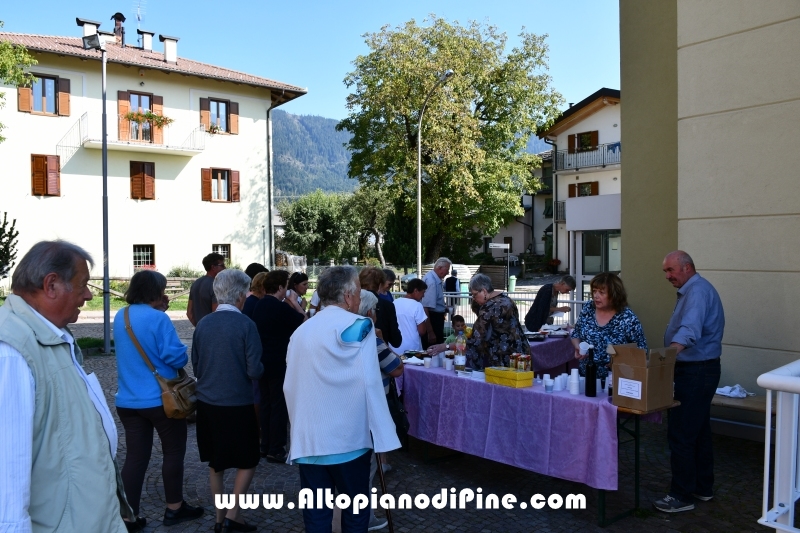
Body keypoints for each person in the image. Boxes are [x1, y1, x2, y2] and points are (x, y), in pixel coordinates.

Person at [0, 241, 132, 532]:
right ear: (51, 285)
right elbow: (6, 479)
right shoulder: (10, 351)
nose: (87, 295)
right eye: (82, 284)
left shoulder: (48, 334)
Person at [284, 266, 400, 532]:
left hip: (310, 440)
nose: (359, 299)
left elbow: (291, 385)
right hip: (349, 440)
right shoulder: (361, 326)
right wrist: (382, 434)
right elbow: (371, 381)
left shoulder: (301, 330)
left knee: (316, 517)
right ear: (348, 296)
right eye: (358, 293)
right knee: (355, 513)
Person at [114, 270, 204, 531]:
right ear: (155, 292)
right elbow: (176, 359)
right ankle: (174, 508)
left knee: (135, 458)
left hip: (128, 400)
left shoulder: (122, 315)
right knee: (173, 452)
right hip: (162, 400)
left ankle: (129, 517)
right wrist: (161, 316)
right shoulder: (158, 319)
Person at [192, 269, 264, 532]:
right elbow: (254, 370)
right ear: (240, 295)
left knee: (216, 462)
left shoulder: (203, 324)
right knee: (248, 459)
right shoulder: (246, 325)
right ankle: (234, 514)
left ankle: (220, 518)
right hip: (237, 403)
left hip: (208, 402)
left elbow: (197, 367)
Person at [654, 251, 725, 514]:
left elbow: (689, 330)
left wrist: (666, 357)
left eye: (670, 270)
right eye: (665, 271)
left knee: (682, 433)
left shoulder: (696, 292)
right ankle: (702, 488)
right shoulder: (696, 289)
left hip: (695, 371)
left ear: (687, 267)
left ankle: (681, 495)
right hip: (701, 370)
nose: (667, 276)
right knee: (698, 431)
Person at [251, 270, 306, 463]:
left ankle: (265, 444)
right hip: (278, 361)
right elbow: (303, 324)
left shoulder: (260, 305)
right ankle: (276, 448)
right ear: (281, 287)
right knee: (278, 406)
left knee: (266, 404)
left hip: (262, 360)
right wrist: (298, 307)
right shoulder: (279, 307)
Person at [431, 274, 529, 369]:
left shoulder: (488, 308)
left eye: (474, 295)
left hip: (504, 357)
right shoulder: (507, 300)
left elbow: (475, 340)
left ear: (484, 291)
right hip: (521, 352)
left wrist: (446, 346)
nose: (473, 298)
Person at [570, 273, 647, 379]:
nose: (596, 296)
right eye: (594, 291)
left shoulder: (627, 318)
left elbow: (641, 351)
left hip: (615, 380)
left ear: (614, 294)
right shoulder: (588, 308)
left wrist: (621, 362)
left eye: (601, 292)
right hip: (586, 376)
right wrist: (577, 346)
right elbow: (576, 333)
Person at [359, 266, 403, 349]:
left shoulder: (349, 303)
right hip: (379, 353)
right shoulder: (387, 306)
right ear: (380, 285)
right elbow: (396, 341)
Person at [389, 278, 429, 355]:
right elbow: (422, 331)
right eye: (423, 292)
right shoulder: (417, 306)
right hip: (412, 348)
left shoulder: (394, 302)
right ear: (416, 290)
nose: (423, 296)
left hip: (394, 347)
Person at [187, 252, 226, 326]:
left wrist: (199, 327)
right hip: (213, 330)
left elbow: (189, 313)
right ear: (213, 267)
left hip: (200, 329)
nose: (225, 268)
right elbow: (216, 313)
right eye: (222, 265)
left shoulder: (195, 283)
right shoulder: (216, 285)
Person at [420, 257, 451, 348]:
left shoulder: (433, 278)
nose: (448, 272)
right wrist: (430, 332)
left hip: (435, 317)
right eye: (447, 269)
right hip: (433, 320)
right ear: (440, 268)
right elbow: (425, 308)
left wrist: (443, 308)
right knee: (434, 350)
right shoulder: (432, 282)